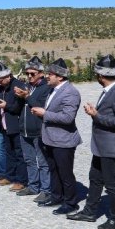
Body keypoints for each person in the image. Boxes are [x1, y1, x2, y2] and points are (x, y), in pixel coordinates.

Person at [67, 54, 115, 229]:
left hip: (112, 147)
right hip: (101, 146)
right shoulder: (111, 90)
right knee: (95, 178)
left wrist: (96, 115)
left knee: (112, 184)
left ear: (100, 76)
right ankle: (89, 211)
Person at [31, 58, 82, 215]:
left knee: (65, 173)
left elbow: (67, 117)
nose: (47, 76)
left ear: (60, 77)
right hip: (51, 138)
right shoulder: (53, 90)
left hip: (63, 140)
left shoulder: (71, 92)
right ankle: (57, 196)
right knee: (54, 170)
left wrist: (44, 113)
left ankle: (71, 202)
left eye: (50, 74)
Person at [15, 56, 53, 200]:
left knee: (43, 162)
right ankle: (33, 186)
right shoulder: (27, 86)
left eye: (32, 73)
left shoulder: (46, 88)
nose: (29, 76)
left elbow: (40, 106)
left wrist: (27, 97)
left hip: (38, 131)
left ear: (41, 73)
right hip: (24, 129)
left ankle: (46, 189)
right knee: (29, 160)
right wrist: (19, 97)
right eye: (27, 73)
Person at [0, 62, 28, 192]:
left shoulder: (18, 85)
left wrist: (4, 106)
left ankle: (21, 180)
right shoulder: (1, 86)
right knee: (9, 152)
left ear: (8, 76)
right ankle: (10, 176)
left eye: (0, 80)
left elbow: (18, 108)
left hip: (16, 125)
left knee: (19, 154)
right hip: (4, 125)